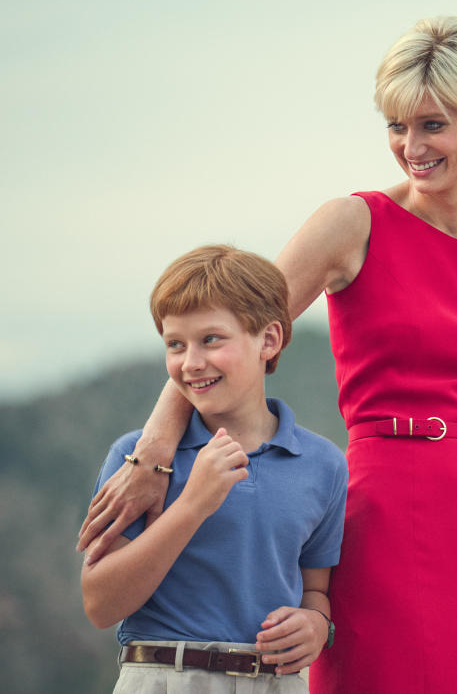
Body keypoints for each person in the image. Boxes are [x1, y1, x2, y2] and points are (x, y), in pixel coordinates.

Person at [78, 17, 457, 694]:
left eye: (432, 125)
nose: (410, 146)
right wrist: (155, 452)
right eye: (397, 126)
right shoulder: (354, 223)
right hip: (390, 522)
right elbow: (231, 334)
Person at [81, 244, 348, 692]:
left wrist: (317, 624)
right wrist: (191, 507)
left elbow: (315, 589)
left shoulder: (323, 465)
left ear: (269, 340)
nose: (191, 363)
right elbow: (101, 604)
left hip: (275, 684)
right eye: (175, 345)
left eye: (211, 340)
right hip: (163, 677)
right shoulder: (138, 462)